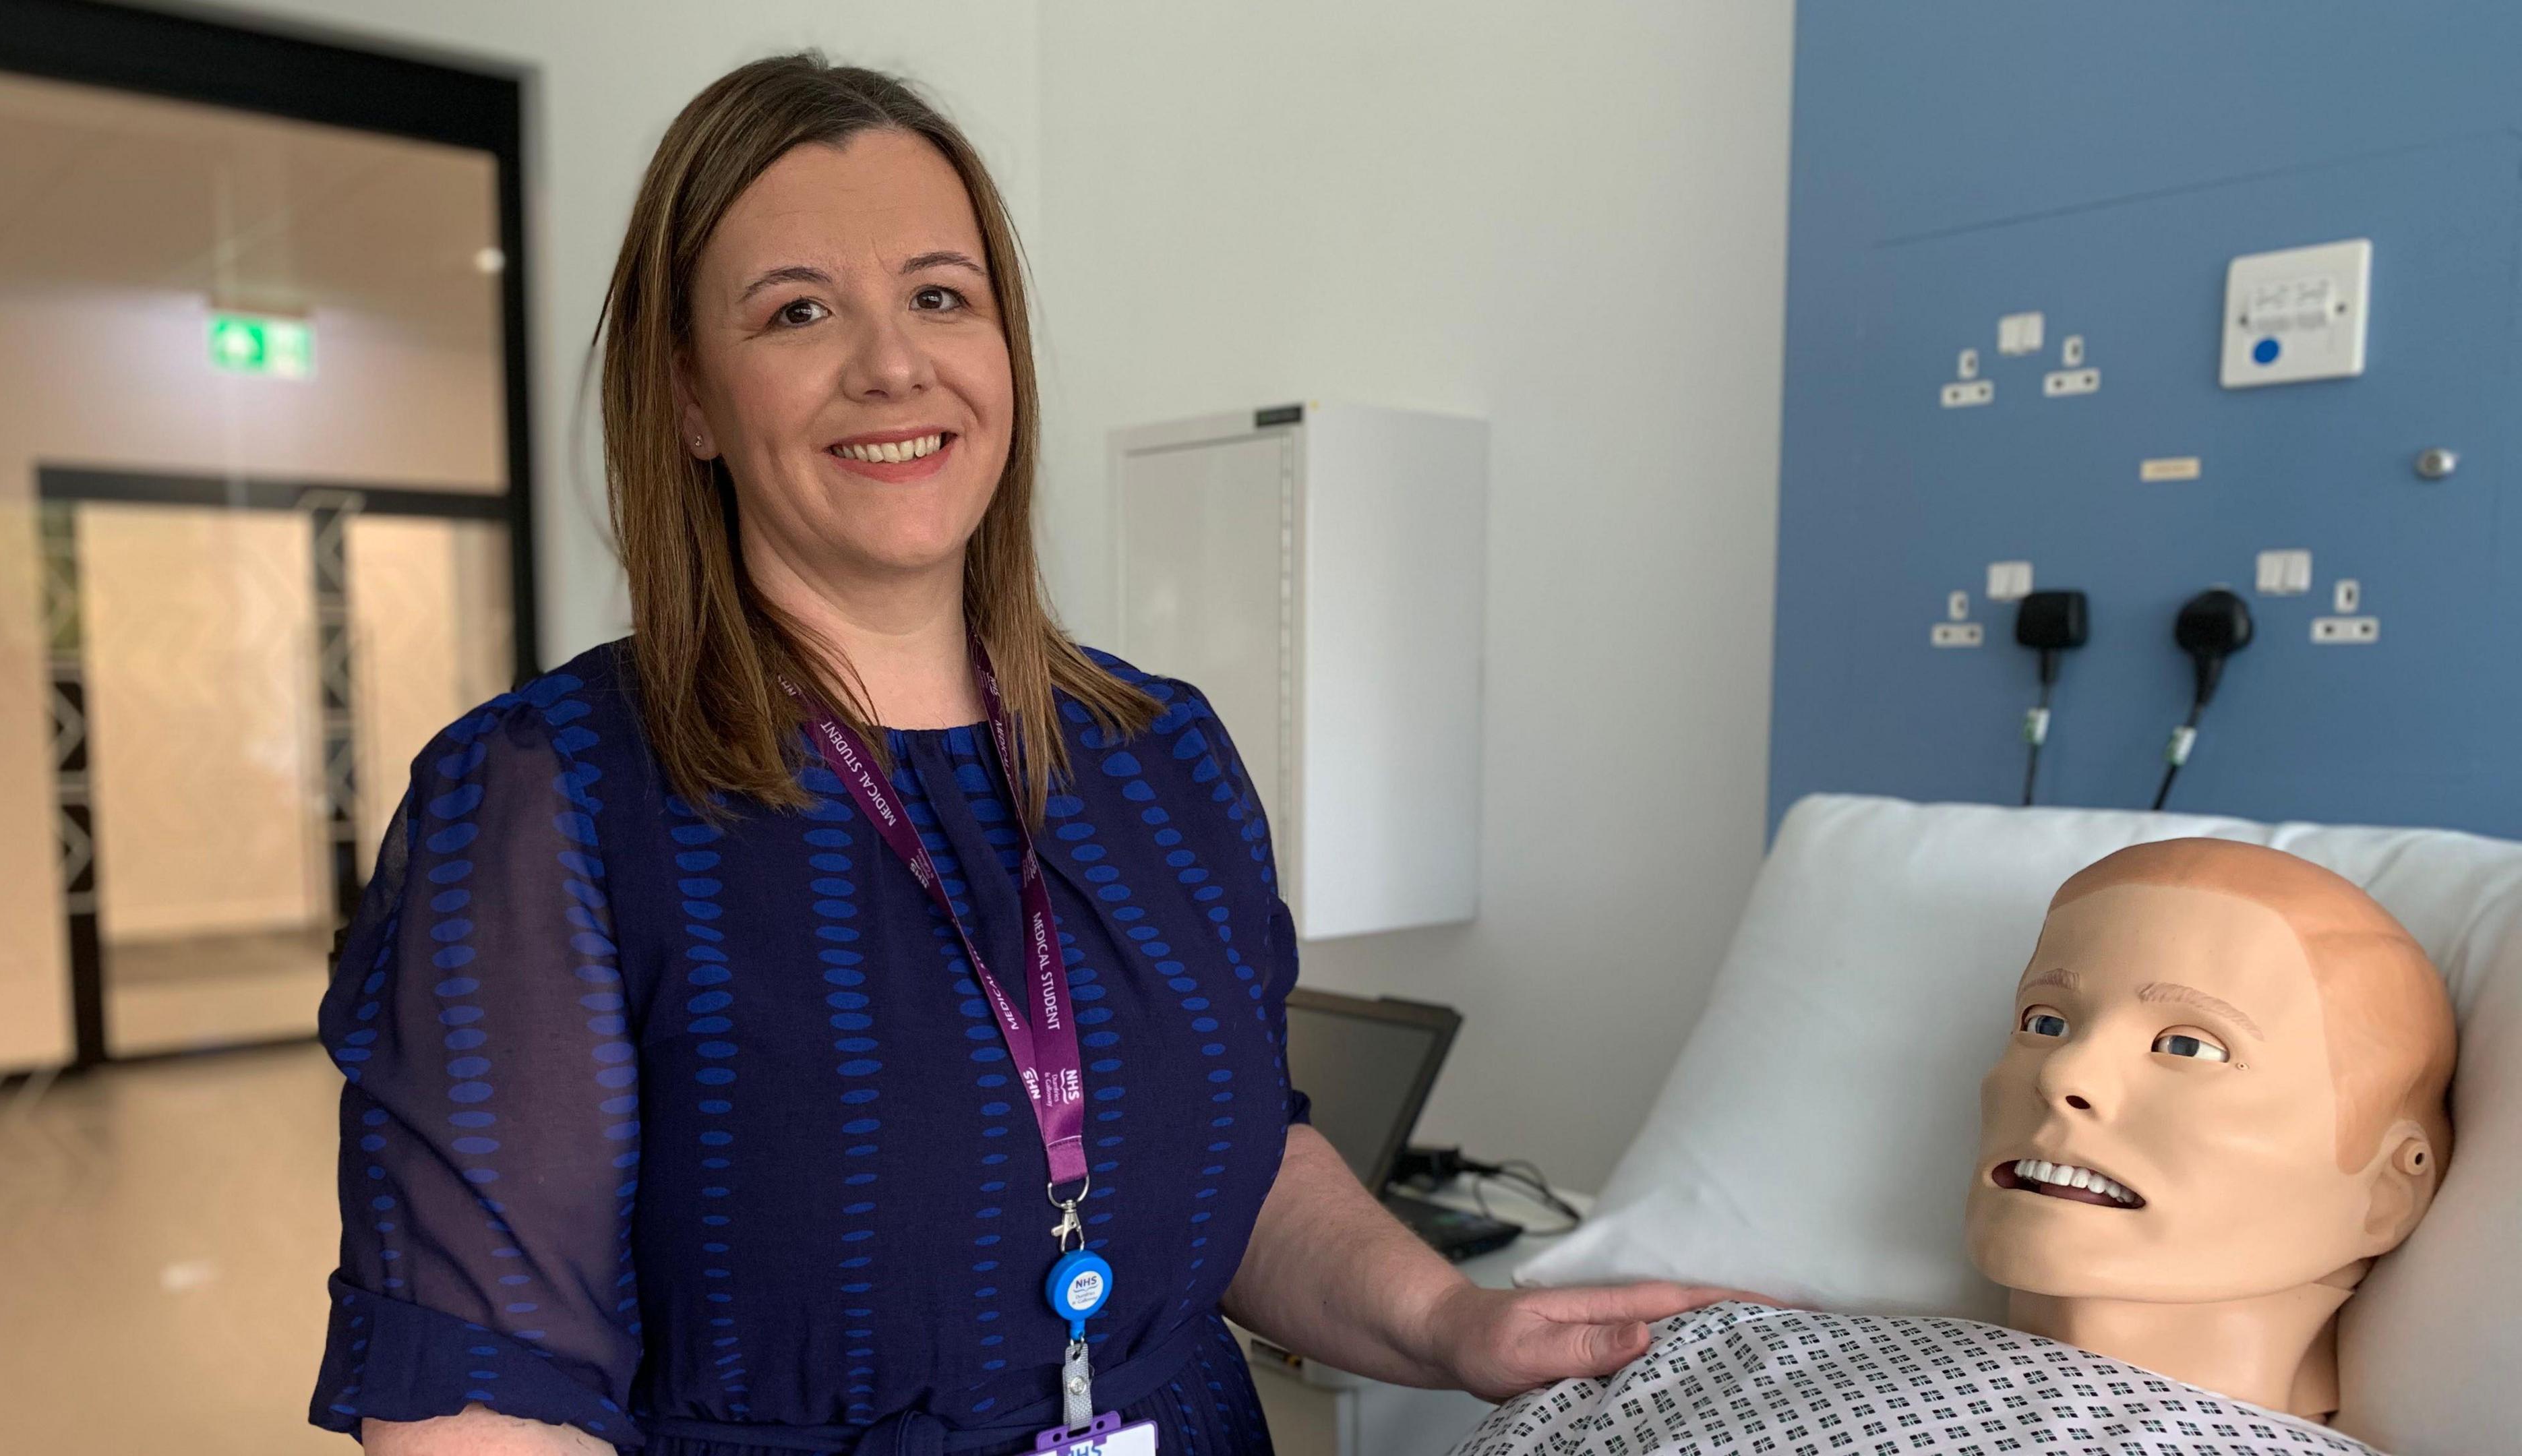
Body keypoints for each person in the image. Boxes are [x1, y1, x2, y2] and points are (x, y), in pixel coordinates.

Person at [309, 53, 1739, 1456]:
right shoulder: (547, 798)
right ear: (690, 399)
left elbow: (1242, 1175)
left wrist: (1450, 1326)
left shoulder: (1159, 752)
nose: (892, 363)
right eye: (800, 311)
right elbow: (478, 1394)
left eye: (942, 295)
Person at [1451, 839, 2455, 1455]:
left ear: (2389, 1191)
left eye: (2187, 1045)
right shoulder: (1709, 1346)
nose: (2062, 1078)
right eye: (2047, 1021)